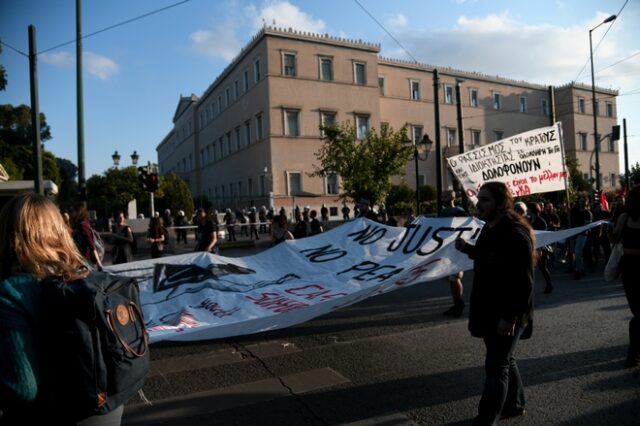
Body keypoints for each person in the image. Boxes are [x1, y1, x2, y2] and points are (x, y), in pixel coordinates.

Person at [0, 193, 125, 425]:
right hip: (107, 407)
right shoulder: (85, 274)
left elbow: (23, 388)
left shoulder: (12, 292)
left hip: (57, 413)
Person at [455, 182, 535, 425]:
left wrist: (509, 317)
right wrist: (467, 248)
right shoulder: (490, 227)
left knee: (496, 365)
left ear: (501, 204)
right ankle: (515, 404)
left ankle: (487, 418)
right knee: (504, 360)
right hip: (490, 310)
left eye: (485, 200)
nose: (479, 204)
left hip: (506, 312)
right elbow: (488, 255)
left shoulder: (514, 232)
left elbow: (524, 283)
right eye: (479, 199)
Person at [612, 185, 640, 368]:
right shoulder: (624, 217)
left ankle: (633, 353)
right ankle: (633, 353)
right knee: (639, 313)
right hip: (633, 268)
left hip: (628, 267)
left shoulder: (624, 218)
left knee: (638, 312)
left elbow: (614, 239)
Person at [439, 190, 468, 317]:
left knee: (455, 277)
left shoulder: (459, 212)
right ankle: (456, 302)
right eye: (442, 196)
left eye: (445, 196)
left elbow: (465, 228)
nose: (443, 199)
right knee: (451, 278)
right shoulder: (443, 211)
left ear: (452, 197)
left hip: (455, 248)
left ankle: (459, 304)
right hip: (447, 248)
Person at [527, 203, 553, 294]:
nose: (527, 210)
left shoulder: (541, 221)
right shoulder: (529, 220)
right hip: (532, 247)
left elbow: (543, 236)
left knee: (543, 268)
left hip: (540, 248)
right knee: (530, 268)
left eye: (528, 208)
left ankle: (549, 284)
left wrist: (540, 248)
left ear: (532, 210)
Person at [72, 201, 104, 271]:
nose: (72, 213)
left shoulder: (83, 225)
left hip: (86, 260)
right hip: (81, 259)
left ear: (79, 212)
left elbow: (91, 244)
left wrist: (98, 262)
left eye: (74, 211)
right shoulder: (80, 224)